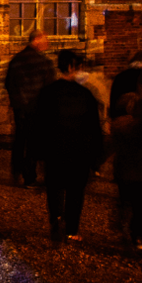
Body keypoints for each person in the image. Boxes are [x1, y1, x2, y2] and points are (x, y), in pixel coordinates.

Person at [32, 50, 106, 242]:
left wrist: (37, 151)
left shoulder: (48, 92)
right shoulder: (85, 94)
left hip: (54, 148)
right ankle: (71, 228)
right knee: (75, 190)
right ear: (73, 68)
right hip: (79, 149)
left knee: (54, 186)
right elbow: (93, 126)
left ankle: (56, 218)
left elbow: (38, 123)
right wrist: (96, 157)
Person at [107, 51, 142, 251]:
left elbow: (113, 108)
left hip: (125, 156)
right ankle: (138, 235)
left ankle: (123, 228)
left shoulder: (119, 80)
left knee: (125, 197)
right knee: (139, 203)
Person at [4, 30, 56, 187]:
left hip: (20, 106)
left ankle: (16, 171)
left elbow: (8, 83)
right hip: (35, 107)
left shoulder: (16, 59)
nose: (47, 43)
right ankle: (29, 177)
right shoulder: (44, 62)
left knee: (20, 139)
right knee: (33, 142)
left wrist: (16, 102)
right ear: (36, 40)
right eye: (45, 39)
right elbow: (49, 88)